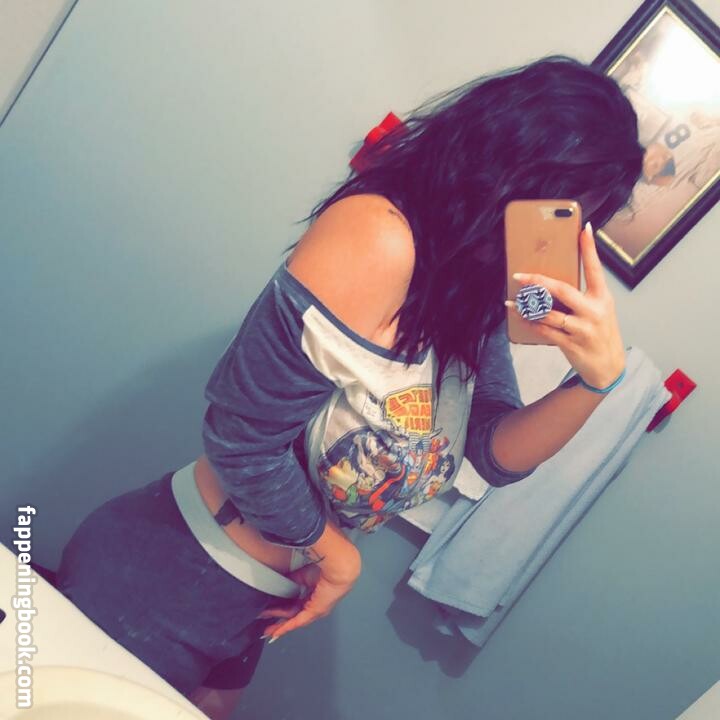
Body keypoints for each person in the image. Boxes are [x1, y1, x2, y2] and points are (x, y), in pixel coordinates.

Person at [55, 53, 644, 719]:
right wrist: (340, 561)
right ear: (509, 167)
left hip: (256, 601)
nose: (552, 238)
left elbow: (493, 453)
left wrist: (595, 383)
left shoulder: (469, 290)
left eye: (578, 221)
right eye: (558, 210)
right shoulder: (379, 237)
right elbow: (241, 437)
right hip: (178, 568)